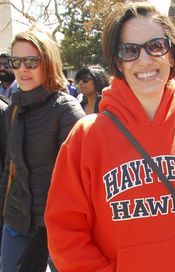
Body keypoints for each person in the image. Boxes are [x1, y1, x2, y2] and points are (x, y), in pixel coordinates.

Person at [45, 2, 175, 272]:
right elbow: (65, 232)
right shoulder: (86, 137)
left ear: (171, 55)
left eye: (156, 46)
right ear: (118, 63)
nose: (144, 59)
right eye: (130, 50)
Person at [0, 25, 85, 272]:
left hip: (55, 228)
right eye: (16, 61)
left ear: (47, 62)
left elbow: (77, 183)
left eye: (31, 61)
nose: (22, 69)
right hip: (15, 223)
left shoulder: (67, 111)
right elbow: (9, 168)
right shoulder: (14, 107)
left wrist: (44, 234)